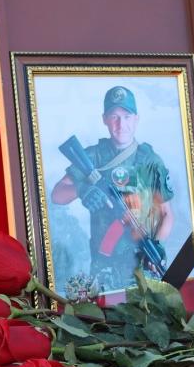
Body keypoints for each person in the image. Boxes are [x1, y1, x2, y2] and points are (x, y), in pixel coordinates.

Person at [51, 86, 174, 291]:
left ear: (136, 119)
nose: (121, 124)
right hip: (104, 266)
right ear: (104, 119)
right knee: (105, 309)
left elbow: (166, 213)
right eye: (114, 117)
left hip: (140, 263)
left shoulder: (150, 160)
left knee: (148, 306)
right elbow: (57, 195)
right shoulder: (94, 156)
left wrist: (156, 246)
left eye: (127, 116)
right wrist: (82, 190)